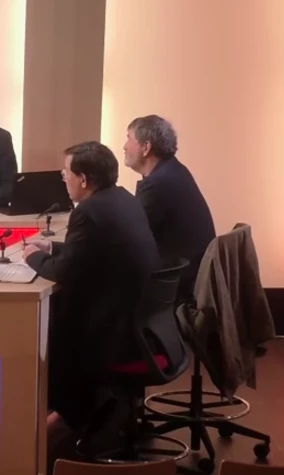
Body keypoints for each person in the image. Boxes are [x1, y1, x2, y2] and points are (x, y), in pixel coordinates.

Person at [21, 141, 160, 449]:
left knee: (54, 327)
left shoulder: (89, 211)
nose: (63, 178)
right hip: (142, 324)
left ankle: (62, 421)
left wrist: (32, 256)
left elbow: (65, 271)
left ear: (83, 179)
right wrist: (52, 247)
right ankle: (77, 416)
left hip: (115, 333)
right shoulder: (121, 198)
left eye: (65, 173)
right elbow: (90, 251)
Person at [124, 114, 216, 301]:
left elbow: (129, 239)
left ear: (146, 147)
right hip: (189, 274)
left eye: (128, 138)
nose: (124, 146)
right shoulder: (174, 170)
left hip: (175, 284)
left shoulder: (158, 183)